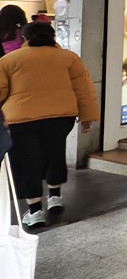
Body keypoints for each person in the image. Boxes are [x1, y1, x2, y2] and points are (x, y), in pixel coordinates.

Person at [0, 22, 100, 227]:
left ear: (25, 38)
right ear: (53, 37)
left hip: (22, 119)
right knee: (55, 152)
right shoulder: (69, 58)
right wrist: (87, 117)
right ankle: (54, 198)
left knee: (28, 161)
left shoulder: (8, 60)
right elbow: (83, 89)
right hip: (61, 118)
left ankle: (35, 211)